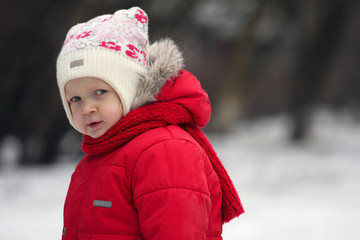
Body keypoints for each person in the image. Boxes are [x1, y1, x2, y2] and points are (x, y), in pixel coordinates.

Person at [56, 6, 244, 240]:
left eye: (100, 92)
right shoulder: (103, 152)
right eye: (75, 98)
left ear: (128, 86)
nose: (87, 108)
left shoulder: (164, 150)